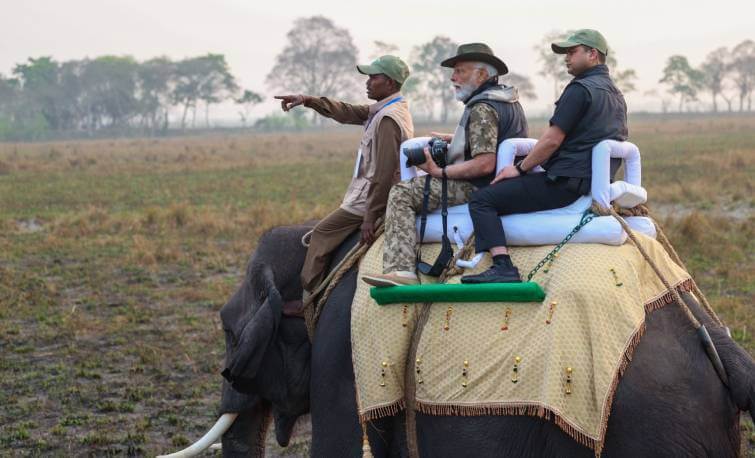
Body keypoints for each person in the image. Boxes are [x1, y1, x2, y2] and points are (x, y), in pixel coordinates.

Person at [460, 29, 628, 284]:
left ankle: (502, 266)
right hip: (589, 180)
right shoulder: (615, 93)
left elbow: (551, 140)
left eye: (572, 52)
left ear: (593, 54)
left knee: (483, 200)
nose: (566, 58)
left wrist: (520, 169)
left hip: (564, 183)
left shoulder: (580, 89)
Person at [362, 43, 528, 287]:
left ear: (481, 75)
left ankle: (401, 271)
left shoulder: (482, 107)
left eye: (460, 71)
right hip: (502, 183)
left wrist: (440, 171)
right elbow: (492, 141)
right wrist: (459, 140)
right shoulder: (508, 99)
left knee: (401, 192)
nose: (453, 77)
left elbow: (484, 164)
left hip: (479, 185)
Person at [275, 55, 414, 301]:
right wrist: (308, 100)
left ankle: (310, 300)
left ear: (390, 83)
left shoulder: (388, 119)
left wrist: (370, 217)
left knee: (321, 234)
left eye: (374, 77)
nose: (368, 82)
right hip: (367, 195)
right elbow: (347, 112)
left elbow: (383, 174)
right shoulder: (387, 109)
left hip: (367, 201)